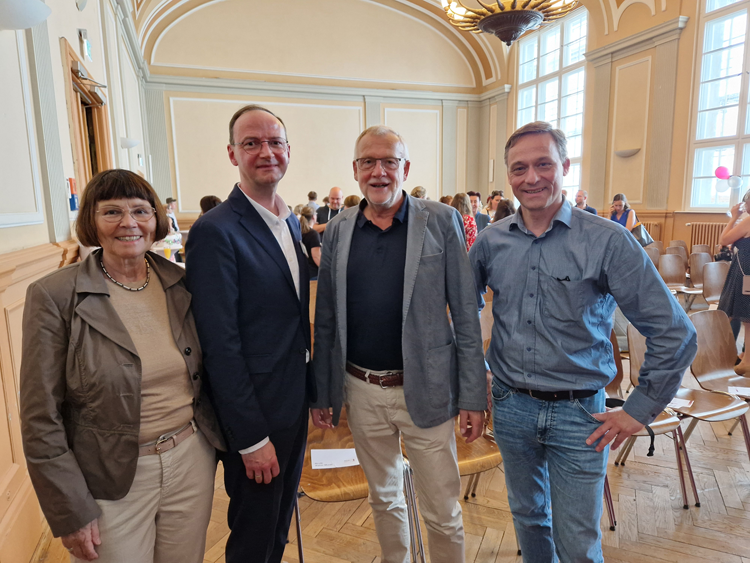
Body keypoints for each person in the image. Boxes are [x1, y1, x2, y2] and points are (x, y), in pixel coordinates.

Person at [469, 121, 697, 563]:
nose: (531, 177)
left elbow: (675, 332)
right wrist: (474, 384)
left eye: (543, 164)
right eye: (519, 168)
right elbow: (462, 313)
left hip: (581, 415)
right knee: (528, 518)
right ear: (508, 175)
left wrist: (638, 409)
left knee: (576, 542)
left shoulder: (607, 240)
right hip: (511, 406)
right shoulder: (492, 242)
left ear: (565, 167)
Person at [20, 169, 224, 563]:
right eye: (111, 212)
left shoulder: (181, 283)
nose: (128, 223)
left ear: (156, 220)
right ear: (91, 223)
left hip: (190, 461)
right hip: (108, 477)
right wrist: (70, 511)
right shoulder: (54, 295)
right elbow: (39, 415)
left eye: (140, 211)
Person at [311, 125, 486, 563]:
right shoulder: (338, 230)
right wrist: (324, 391)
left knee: (443, 511)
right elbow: (327, 318)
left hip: (426, 389)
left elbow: (466, 315)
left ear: (405, 168)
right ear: (355, 171)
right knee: (384, 500)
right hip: (362, 390)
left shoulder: (441, 221)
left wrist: (472, 396)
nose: (379, 171)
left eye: (389, 161)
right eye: (368, 162)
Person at [186, 105, 316, 563]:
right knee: (253, 537)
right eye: (252, 143)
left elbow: (291, 320)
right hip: (255, 413)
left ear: (287, 150)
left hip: (292, 400)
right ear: (232, 154)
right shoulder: (215, 231)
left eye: (275, 142)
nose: (266, 152)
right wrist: (251, 438)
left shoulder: (290, 220)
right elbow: (219, 345)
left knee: (278, 526)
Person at [718, 190, 750, 374]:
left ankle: (740, 359)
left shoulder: (748, 220)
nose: (744, 206)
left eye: (746, 202)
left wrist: (733, 217)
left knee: (743, 315)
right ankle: (745, 357)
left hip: (745, 270)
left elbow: (724, 240)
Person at [299, 205, 322, 280]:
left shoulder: (298, 231)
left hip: (302, 270)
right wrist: (326, 271)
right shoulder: (313, 234)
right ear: (313, 217)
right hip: (313, 272)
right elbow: (316, 256)